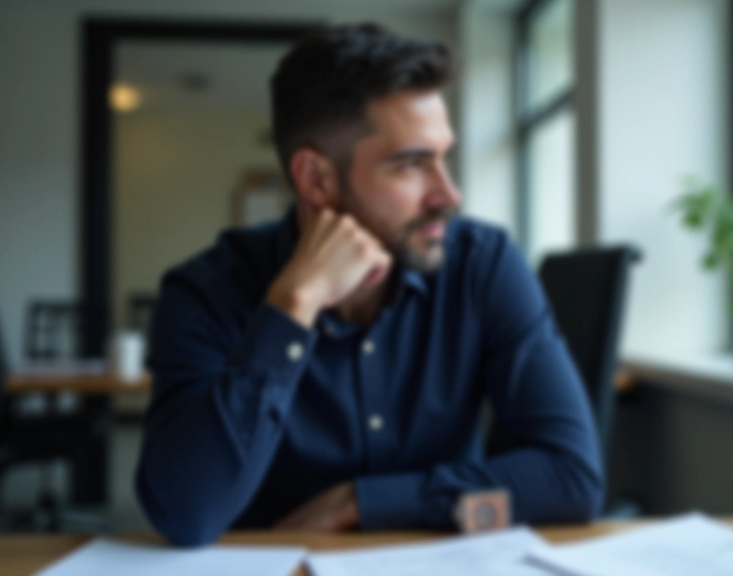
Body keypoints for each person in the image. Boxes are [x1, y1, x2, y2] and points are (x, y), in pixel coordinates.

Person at [135, 23, 603, 547]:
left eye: (444, 158)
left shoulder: (482, 265)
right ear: (316, 179)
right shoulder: (205, 292)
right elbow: (186, 516)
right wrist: (291, 309)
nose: (449, 194)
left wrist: (358, 503)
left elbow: (572, 480)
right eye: (411, 165)